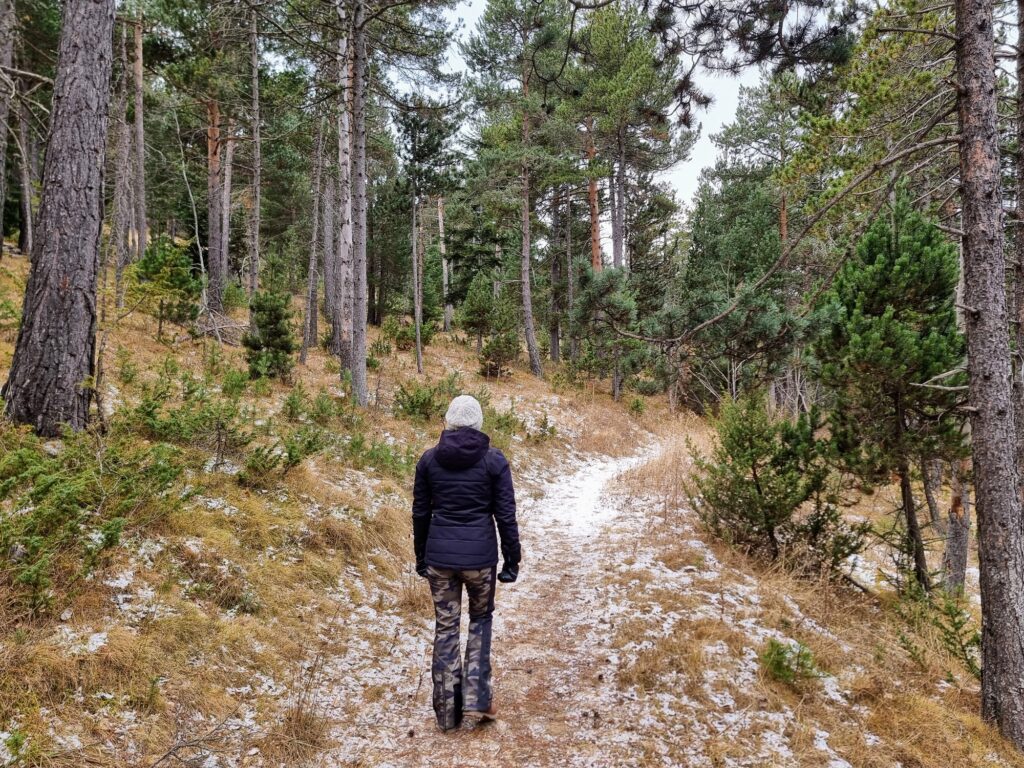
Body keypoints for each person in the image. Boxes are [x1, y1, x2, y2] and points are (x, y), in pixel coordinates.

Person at [412, 394, 521, 731]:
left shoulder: (429, 461)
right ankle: (479, 700)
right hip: (480, 562)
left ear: (449, 421)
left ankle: (446, 712)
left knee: (446, 629)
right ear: (478, 423)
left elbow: (420, 514)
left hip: (440, 561)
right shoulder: (494, 461)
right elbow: (505, 515)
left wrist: (421, 556)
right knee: (480, 624)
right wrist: (512, 559)